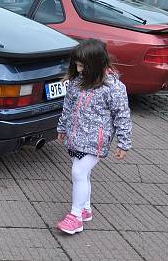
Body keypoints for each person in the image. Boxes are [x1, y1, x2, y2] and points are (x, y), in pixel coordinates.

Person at [55, 39, 132, 235]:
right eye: (77, 65)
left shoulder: (113, 88)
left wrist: (123, 143)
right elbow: (68, 106)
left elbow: (122, 115)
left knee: (79, 173)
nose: (79, 69)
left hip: (96, 141)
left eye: (82, 65)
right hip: (75, 135)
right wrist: (62, 127)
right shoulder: (77, 82)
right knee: (83, 174)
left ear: (96, 64)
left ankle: (75, 217)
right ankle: (85, 208)